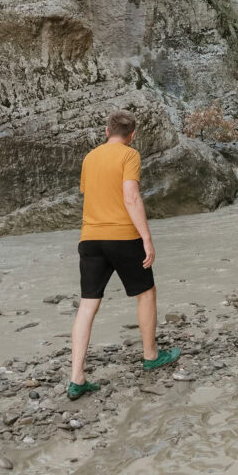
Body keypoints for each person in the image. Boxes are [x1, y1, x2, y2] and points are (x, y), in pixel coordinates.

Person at [68, 110, 179, 399]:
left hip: (90, 239)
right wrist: (147, 238)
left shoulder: (89, 158)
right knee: (146, 292)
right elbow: (130, 196)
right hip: (122, 237)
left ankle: (77, 377)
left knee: (88, 304)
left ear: (107, 131)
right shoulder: (129, 155)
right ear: (132, 135)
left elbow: (89, 194)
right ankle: (151, 355)